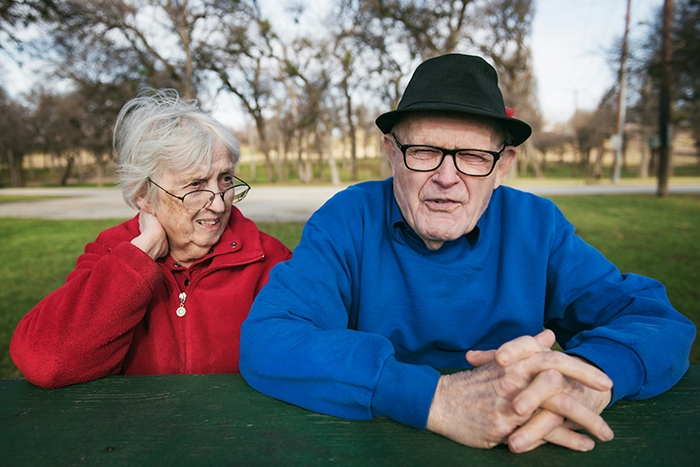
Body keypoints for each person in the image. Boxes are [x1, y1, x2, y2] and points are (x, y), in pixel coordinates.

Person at [239, 54, 696, 453]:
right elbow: (270, 337)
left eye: (474, 156)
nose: (446, 177)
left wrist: (586, 378)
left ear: (503, 167)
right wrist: (433, 399)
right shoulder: (347, 219)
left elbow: (656, 320)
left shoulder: (538, 225)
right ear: (391, 154)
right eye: (423, 151)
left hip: (527, 442)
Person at [11, 89, 292, 389]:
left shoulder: (268, 259)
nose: (220, 204)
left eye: (225, 179)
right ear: (143, 195)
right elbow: (47, 362)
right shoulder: (112, 252)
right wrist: (140, 255)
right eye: (195, 184)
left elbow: (299, 363)